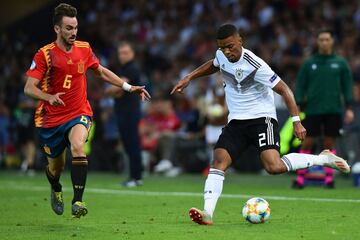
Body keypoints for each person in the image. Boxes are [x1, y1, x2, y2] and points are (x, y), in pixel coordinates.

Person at [171, 24, 351, 225]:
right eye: (222, 47)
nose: (227, 51)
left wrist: (296, 122)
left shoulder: (255, 65)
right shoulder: (221, 55)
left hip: (261, 119)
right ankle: (208, 213)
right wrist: (189, 77)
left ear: (240, 41)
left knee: (273, 167)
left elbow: (285, 91)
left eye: (230, 46)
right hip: (236, 121)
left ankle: (322, 159)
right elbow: (214, 64)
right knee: (219, 161)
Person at [24, 3, 150, 218]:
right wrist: (49, 97)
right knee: (55, 168)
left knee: (78, 147)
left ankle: (78, 201)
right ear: (57, 29)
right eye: (68, 28)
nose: (73, 32)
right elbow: (29, 88)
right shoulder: (44, 55)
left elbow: (100, 71)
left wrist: (128, 87)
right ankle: (56, 188)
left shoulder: (84, 48)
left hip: (78, 112)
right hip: (51, 119)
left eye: (75, 27)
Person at [293, 29, 354, 189]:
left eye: (327, 39)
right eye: (321, 39)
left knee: (328, 144)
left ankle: (329, 180)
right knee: (307, 143)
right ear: (317, 42)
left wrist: (349, 107)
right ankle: (300, 180)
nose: (324, 42)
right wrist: (298, 104)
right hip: (312, 109)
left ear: (332, 41)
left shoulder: (340, 63)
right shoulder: (309, 63)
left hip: (333, 109)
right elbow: (300, 85)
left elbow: (347, 86)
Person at [105, 42, 144, 187]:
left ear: (132, 54)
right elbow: (116, 89)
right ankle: (135, 176)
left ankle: (136, 177)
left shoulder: (131, 68)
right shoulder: (123, 69)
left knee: (132, 144)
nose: (122, 55)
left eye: (126, 52)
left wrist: (112, 90)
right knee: (128, 145)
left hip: (130, 112)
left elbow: (115, 89)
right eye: (121, 53)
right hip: (122, 111)